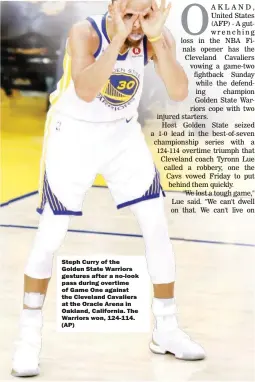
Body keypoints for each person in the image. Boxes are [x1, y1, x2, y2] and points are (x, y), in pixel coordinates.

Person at [12, 0, 205, 377]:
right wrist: (116, 42)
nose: (137, 22)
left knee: (156, 224)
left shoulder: (155, 37)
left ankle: (166, 327)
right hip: (73, 135)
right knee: (51, 235)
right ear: (113, 7)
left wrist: (159, 42)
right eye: (129, 14)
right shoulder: (85, 32)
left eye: (145, 14)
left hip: (122, 133)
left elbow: (179, 91)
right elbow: (85, 90)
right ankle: (28, 338)